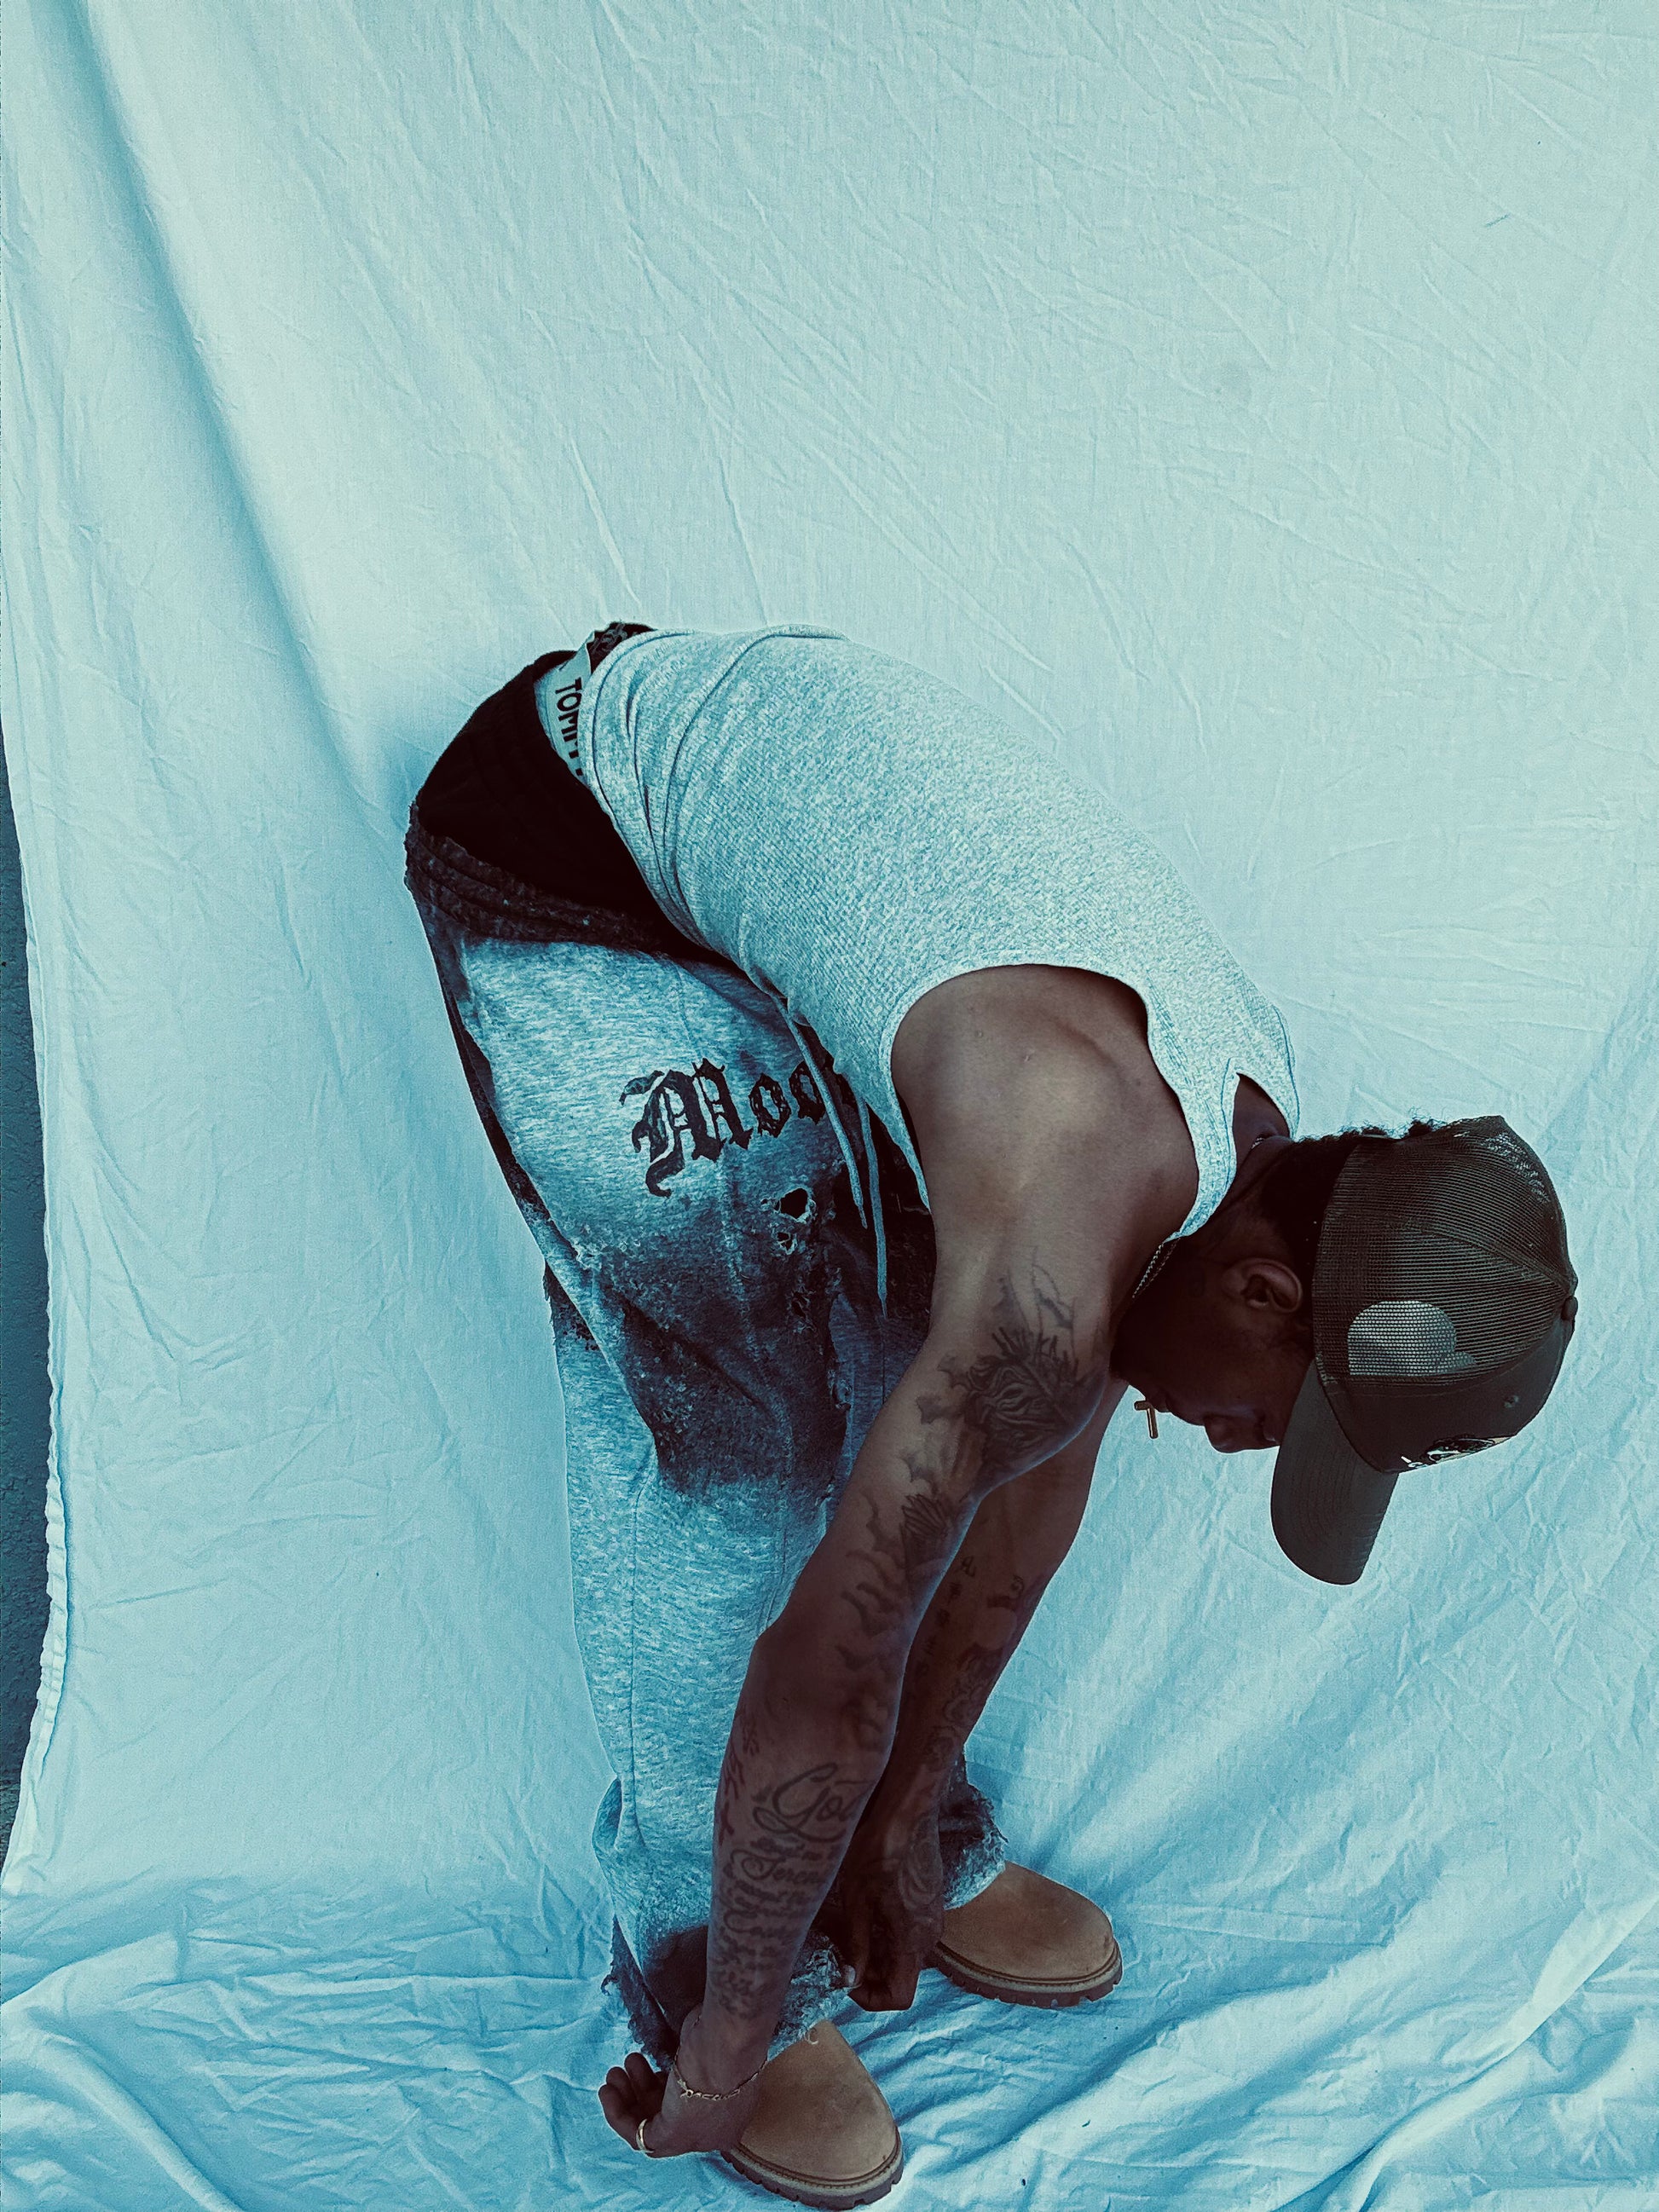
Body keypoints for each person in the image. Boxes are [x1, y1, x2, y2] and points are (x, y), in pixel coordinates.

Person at [404, 622, 1578, 2207]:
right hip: (571, 837)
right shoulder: (1068, 1252)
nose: (1243, 1450)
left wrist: (904, 1806)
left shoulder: (1246, 1160)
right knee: (742, 1453)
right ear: (1262, 1293)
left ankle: (895, 1844)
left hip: (769, 821)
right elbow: (824, 1665)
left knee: (947, 1389)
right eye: (1280, 1421)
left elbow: (1029, 1494)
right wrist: (724, 2058)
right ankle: (705, 1969)